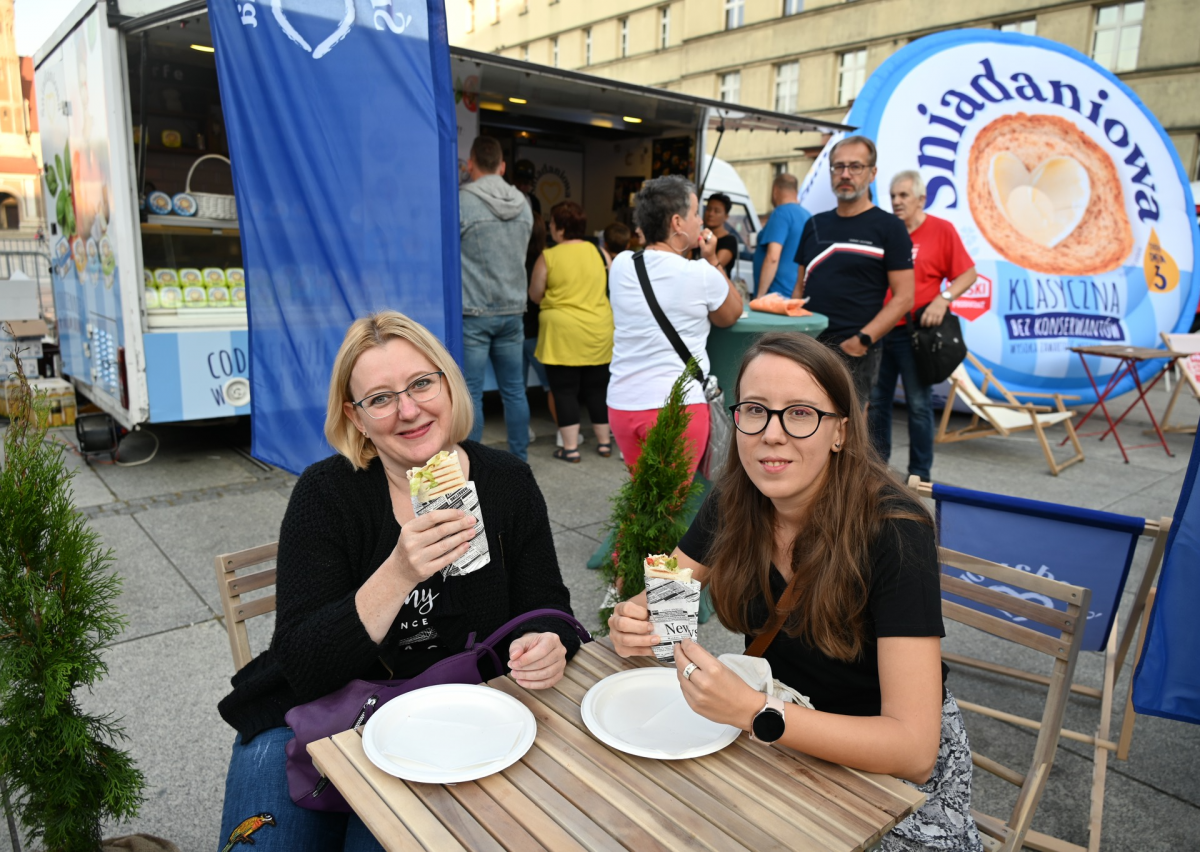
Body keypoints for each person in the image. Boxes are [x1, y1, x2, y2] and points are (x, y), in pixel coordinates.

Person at [217, 311, 579, 851]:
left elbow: (549, 606)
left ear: (448, 383)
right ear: (356, 417)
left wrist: (550, 641)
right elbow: (304, 663)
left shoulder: (507, 483)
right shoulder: (326, 495)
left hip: (444, 724)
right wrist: (399, 571)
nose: (409, 410)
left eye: (420, 384)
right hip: (318, 715)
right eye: (380, 398)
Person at [608, 331, 983, 852]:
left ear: (840, 433)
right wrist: (637, 619)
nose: (772, 434)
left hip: (882, 778)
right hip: (777, 740)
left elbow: (913, 748)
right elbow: (671, 590)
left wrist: (755, 713)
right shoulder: (736, 497)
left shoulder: (896, 531)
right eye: (756, 410)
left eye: (801, 413)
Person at [606, 175, 742, 472]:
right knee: (668, 511)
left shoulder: (622, 264)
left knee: (643, 499)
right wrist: (713, 260)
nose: (700, 220)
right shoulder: (700, 274)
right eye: (695, 213)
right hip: (677, 408)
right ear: (678, 223)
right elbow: (731, 312)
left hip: (623, 404)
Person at [870, 171, 978, 482]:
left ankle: (919, 475)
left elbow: (968, 274)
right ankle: (878, 470)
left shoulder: (941, 230)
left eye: (903, 196)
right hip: (881, 328)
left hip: (916, 333)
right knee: (878, 403)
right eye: (892, 196)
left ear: (922, 199)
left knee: (918, 404)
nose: (896, 202)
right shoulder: (888, 231)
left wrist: (943, 299)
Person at [793, 136, 915, 408]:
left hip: (855, 349)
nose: (845, 174)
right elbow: (799, 288)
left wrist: (862, 341)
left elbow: (905, 297)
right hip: (810, 345)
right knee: (804, 423)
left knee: (849, 433)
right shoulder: (814, 224)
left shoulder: (890, 228)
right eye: (838, 167)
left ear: (872, 173)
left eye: (855, 167)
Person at [459, 136, 534, 460]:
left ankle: (472, 464)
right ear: (502, 166)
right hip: (513, 310)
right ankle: (520, 462)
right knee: (515, 391)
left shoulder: (461, 201)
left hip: (474, 311)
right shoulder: (523, 202)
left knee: (471, 393)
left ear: (471, 163)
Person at [529, 201, 615, 461]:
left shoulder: (548, 256)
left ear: (560, 227)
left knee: (564, 391)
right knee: (598, 389)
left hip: (562, 334)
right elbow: (612, 286)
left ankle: (570, 449)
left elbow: (535, 294)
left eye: (553, 223)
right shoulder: (601, 253)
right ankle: (603, 444)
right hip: (599, 331)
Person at [753, 173, 810, 299]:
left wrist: (760, 296)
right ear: (795, 191)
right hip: (794, 294)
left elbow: (773, 257)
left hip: (775, 296)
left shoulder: (781, 213)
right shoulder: (808, 216)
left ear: (775, 190)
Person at [702, 192, 740, 278]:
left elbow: (713, 268)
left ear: (726, 216)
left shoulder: (729, 241)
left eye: (717, 211)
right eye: (708, 209)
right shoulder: (700, 237)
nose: (711, 214)